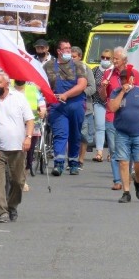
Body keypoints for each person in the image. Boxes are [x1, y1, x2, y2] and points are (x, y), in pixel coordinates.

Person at [0, 72, 34, 223]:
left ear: (7, 84)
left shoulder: (19, 97)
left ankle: (12, 206)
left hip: (18, 147)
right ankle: (1, 212)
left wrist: (28, 138)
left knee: (18, 181)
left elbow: (30, 120)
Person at [108, 68, 139, 203]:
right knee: (123, 162)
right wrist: (123, 91)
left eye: (126, 78)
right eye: (122, 79)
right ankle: (126, 192)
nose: (123, 81)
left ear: (132, 79)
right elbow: (112, 108)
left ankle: (138, 181)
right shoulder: (116, 92)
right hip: (122, 133)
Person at [99, 47, 139, 190]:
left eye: (116, 59)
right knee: (114, 149)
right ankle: (118, 179)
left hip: (129, 117)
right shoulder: (108, 73)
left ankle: (127, 177)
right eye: (113, 59)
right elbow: (103, 97)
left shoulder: (134, 73)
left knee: (128, 152)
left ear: (124, 60)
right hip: (112, 116)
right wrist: (102, 87)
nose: (113, 61)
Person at [43, 39, 88, 176]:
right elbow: (43, 84)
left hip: (75, 104)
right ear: (58, 51)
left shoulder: (78, 65)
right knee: (60, 134)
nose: (69, 50)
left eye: (70, 48)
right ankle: (58, 164)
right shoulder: (48, 66)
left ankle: (74, 163)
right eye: (66, 48)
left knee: (75, 134)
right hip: (57, 106)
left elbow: (82, 85)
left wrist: (66, 95)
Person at [16, 78, 46, 190]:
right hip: (14, 128)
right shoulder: (9, 89)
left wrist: (43, 110)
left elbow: (42, 102)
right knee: (15, 154)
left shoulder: (33, 90)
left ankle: (23, 180)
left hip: (32, 128)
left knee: (28, 155)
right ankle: (14, 179)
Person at [71, 46, 96, 166]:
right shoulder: (65, 69)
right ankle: (72, 158)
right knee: (72, 133)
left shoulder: (86, 69)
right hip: (69, 106)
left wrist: (79, 93)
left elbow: (92, 87)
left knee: (83, 134)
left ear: (80, 57)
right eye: (70, 56)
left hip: (84, 107)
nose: (71, 59)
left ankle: (80, 159)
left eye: (74, 57)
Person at [90, 48, 112, 163]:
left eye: (108, 58)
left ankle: (112, 153)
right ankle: (99, 152)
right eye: (103, 57)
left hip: (112, 103)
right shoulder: (95, 71)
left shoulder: (114, 71)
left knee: (112, 128)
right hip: (98, 102)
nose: (104, 60)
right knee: (99, 127)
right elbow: (91, 86)